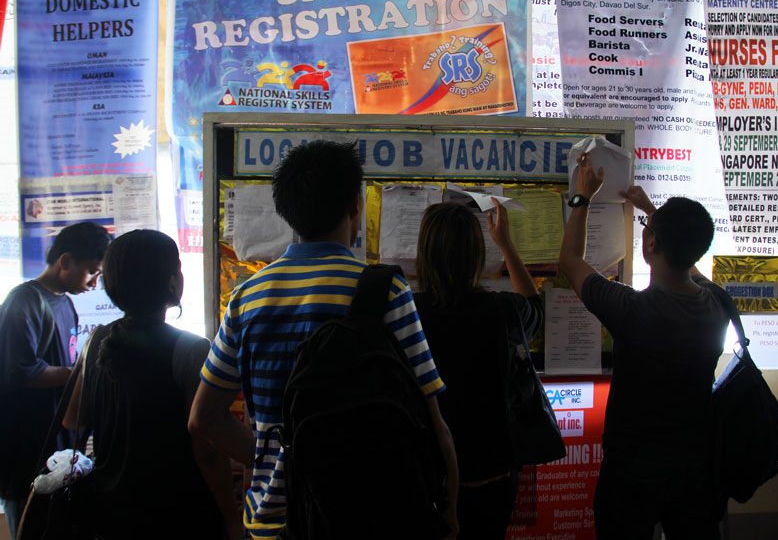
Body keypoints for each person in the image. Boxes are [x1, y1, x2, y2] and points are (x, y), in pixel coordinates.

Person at [189, 139, 459, 540]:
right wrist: (450, 509)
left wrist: (277, 459)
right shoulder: (385, 290)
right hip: (368, 516)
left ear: (287, 211)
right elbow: (431, 418)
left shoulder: (247, 298)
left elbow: (203, 418)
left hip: (275, 524)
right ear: (355, 205)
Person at [558, 153, 726, 540]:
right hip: (696, 466)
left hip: (632, 470)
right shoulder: (719, 304)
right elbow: (692, 264)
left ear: (649, 243)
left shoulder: (633, 310)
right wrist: (652, 214)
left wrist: (582, 198)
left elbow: (569, 260)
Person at [62, 229, 241, 540]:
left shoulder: (96, 341)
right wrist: (232, 519)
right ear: (172, 281)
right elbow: (207, 453)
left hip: (109, 515)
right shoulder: (189, 350)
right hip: (177, 516)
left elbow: (73, 418)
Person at [413, 200, 543, 539]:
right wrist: (506, 244)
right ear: (476, 254)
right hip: (492, 473)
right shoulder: (501, 310)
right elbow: (535, 310)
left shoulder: (407, 313)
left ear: (424, 253)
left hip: (429, 476)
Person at [0, 221, 111, 539]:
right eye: (91, 271)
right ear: (65, 261)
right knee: (30, 525)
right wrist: (77, 372)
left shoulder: (66, 304)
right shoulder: (23, 303)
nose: (94, 282)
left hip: (55, 447)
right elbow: (19, 371)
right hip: (24, 451)